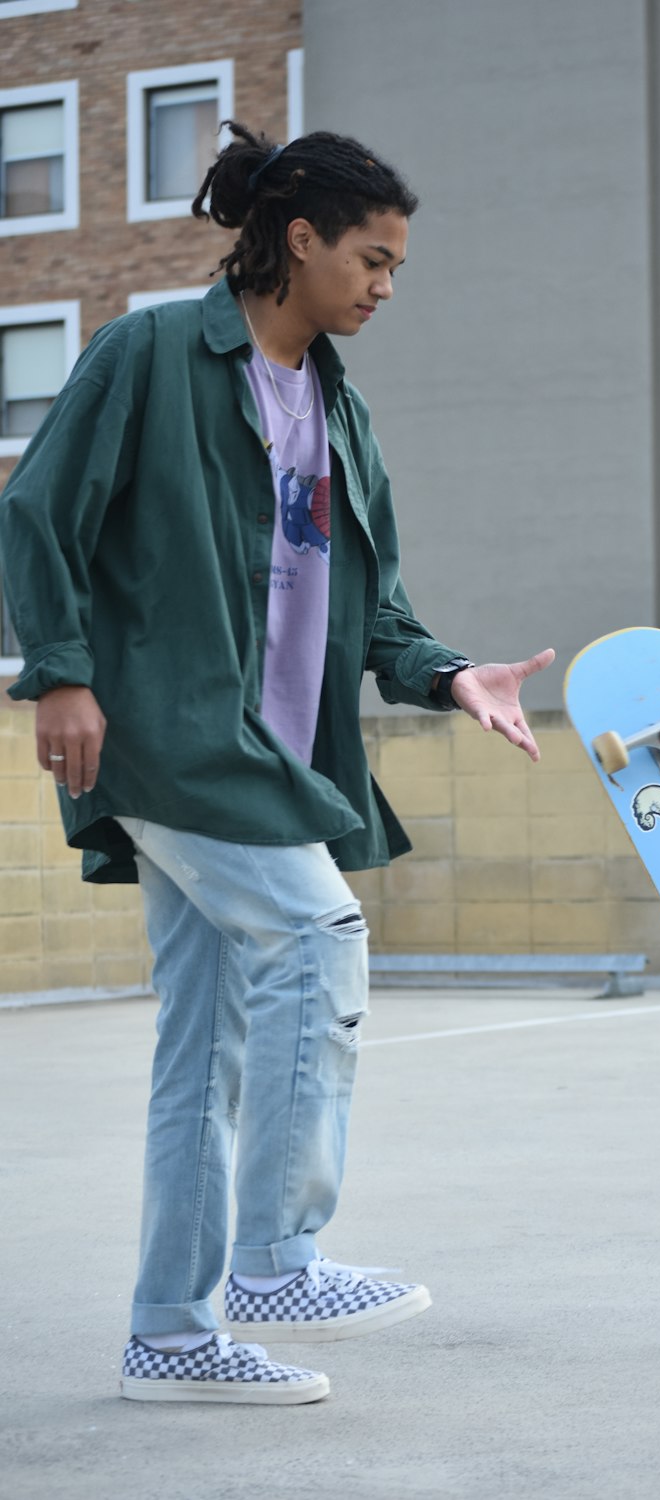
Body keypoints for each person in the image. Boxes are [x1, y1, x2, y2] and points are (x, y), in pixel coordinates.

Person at [0, 122, 554, 1406]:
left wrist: (448, 671)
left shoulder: (340, 413)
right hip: (177, 736)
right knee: (319, 938)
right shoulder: (152, 352)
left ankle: (171, 1338)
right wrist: (62, 670)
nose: (384, 287)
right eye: (370, 257)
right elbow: (38, 509)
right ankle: (273, 1256)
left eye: (396, 266)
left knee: (206, 1055)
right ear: (295, 238)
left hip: (275, 750)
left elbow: (375, 604)